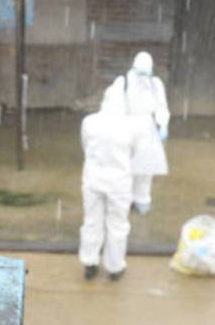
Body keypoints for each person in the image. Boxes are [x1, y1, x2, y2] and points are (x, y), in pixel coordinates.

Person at [78, 84, 136, 281]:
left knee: (92, 221)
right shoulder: (131, 126)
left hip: (93, 179)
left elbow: (85, 146)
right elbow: (134, 154)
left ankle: (89, 263)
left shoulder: (89, 122)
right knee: (117, 224)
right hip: (119, 183)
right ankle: (114, 267)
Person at [114, 51, 170, 215]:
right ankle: (126, 200)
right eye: (141, 73)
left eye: (147, 73)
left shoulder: (156, 84)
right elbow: (115, 107)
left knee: (146, 169)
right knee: (126, 167)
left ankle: (142, 200)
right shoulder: (123, 83)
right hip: (127, 128)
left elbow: (162, 107)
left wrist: (163, 125)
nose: (143, 78)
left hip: (149, 129)